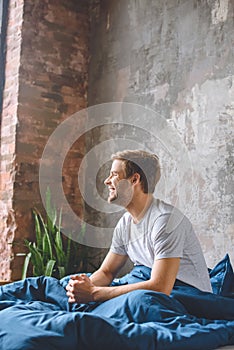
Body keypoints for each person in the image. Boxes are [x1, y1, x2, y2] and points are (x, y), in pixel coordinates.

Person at [66, 150, 212, 304]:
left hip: (187, 294)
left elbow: (160, 287)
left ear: (134, 179)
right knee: (65, 284)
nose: (107, 181)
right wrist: (83, 287)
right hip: (152, 285)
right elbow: (107, 272)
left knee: (139, 302)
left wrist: (95, 294)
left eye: (114, 174)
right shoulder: (125, 223)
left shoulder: (166, 221)